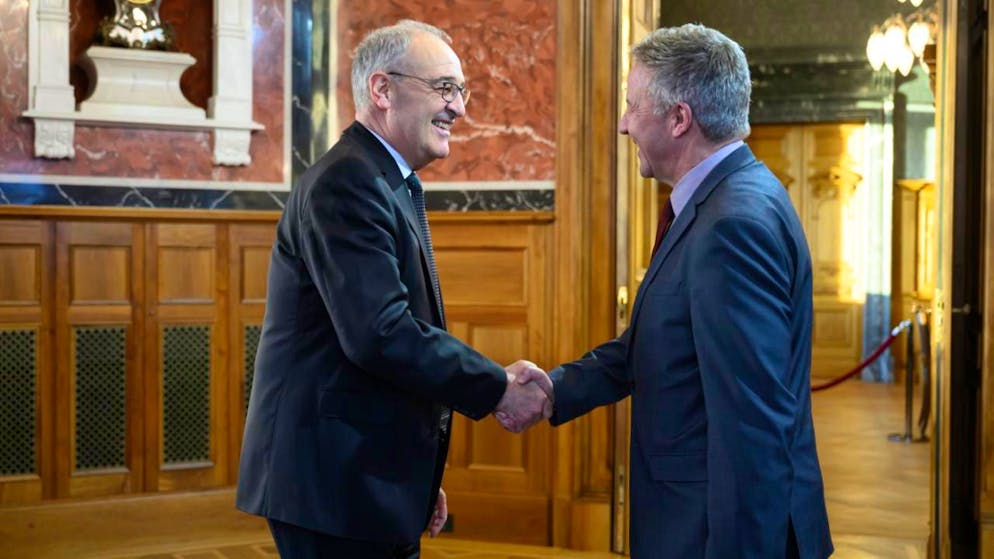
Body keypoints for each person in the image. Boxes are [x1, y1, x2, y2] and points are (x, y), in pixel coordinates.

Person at [507, 24, 833, 558]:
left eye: (633, 106)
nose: (622, 124)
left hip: (709, 532)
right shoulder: (732, 197)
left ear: (679, 119)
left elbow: (752, 425)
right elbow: (660, 347)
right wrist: (555, 389)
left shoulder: (732, 224)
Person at [236, 20, 551, 558]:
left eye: (461, 90)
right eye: (444, 88)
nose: (459, 108)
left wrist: (417, 476)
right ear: (382, 90)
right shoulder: (348, 182)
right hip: (332, 482)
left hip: (361, 474)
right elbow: (380, 333)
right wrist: (496, 386)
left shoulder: (381, 178)